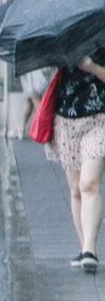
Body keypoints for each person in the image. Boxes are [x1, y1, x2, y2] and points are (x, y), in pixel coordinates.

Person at [45, 52, 105, 274]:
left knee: (89, 184)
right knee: (76, 190)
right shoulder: (63, 39)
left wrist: (93, 68)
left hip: (99, 118)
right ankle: (84, 248)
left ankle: (90, 250)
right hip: (66, 119)